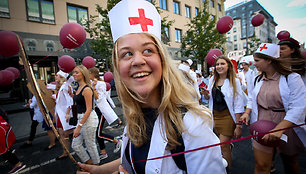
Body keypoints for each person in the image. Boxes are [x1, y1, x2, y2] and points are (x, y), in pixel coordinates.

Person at [77, 0, 226, 173]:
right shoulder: (135, 117)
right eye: (127, 54)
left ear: (162, 60)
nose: (138, 60)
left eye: (148, 50)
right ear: (118, 67)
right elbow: (135, 158)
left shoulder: (193, 126)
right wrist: (97, 171)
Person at [240, 43, 306, 174]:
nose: (254, 63)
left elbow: (298, 106)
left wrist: (280, 128)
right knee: (261, 165)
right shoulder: (257, 79)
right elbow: (252, 99)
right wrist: (247, 112)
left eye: (257, 60)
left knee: (290, 162)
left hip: (286, 124)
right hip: (261, 123)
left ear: (269, 60)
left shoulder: (292, 78)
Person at [203, 55, 246, 170]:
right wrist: (206, 94)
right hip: (214, 115)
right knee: (220, 145)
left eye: (222, 64)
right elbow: (209, 98)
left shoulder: (235, 81)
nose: (219, 66)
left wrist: (238, 125)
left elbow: (238, 104)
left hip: (227, 116)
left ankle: (227, 170)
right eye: (217, 64)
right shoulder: (212, 79)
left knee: (222, 146)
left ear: (228, 66)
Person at [88, 67, 122, 160]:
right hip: (94, 110)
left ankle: (117, 141)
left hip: (101, 111)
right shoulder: (90, 83)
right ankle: (103, 152)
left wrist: (94, 88)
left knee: (98, 133)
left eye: (88, 73)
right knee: (97, 133)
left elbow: (99, 99)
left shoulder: (101, 84)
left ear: (93, 74)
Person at [71, 65, 100, 165]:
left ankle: (97, 168)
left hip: (89, 118)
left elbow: (89, 109)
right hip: (81, 118)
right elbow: (78, 103)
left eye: (76, 72)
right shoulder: (78, 87)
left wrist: (79, 126)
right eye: (73, 72)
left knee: (90, 145)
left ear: (83, 74)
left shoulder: (87, 89)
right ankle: (90, 163)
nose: (74, 74)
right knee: (76, 145)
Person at [54, 70, 75, 160]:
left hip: (64, 114)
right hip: (60, 113)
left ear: (61, 77)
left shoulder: (66, 86)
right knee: (62, 133)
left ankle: (67, 151)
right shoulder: (62, 86)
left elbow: (70, 101)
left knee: (65, 133)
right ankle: (65, 152)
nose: (55, 77)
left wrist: (67, 113)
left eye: (57, 75)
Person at [0, 107, 26, 174]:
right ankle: (16, 163)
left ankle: (18, 164)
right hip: (3, 127)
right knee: (4, 150)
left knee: (3, 150)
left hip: (2, 129)